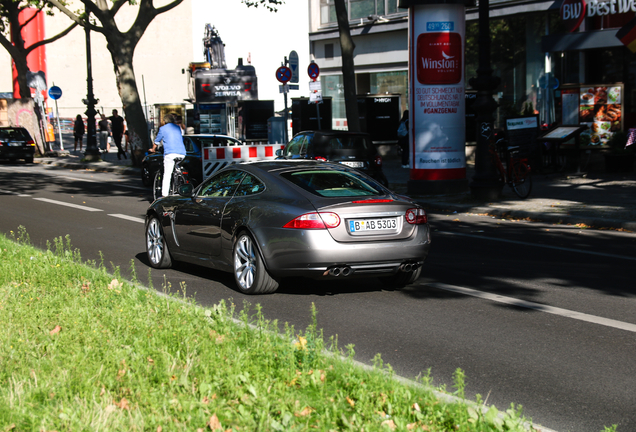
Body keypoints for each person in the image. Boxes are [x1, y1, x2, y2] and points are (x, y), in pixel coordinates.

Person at [150, 113, 186, 198]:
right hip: (182, 153)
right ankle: (179, 176)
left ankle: (164, 195)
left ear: (164, 121)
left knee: (167, 174)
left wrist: (153, 149)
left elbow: (157, 141)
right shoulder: (177, 127)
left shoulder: (162, 129)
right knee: (176, 166)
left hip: (170, 153)